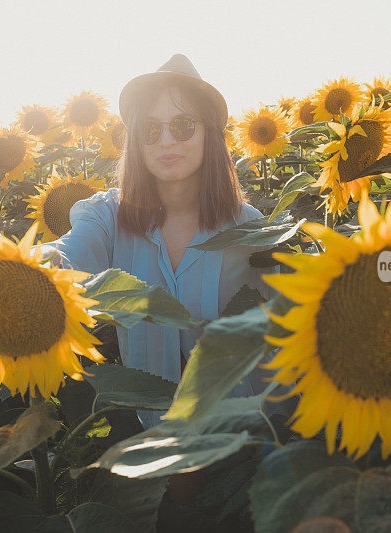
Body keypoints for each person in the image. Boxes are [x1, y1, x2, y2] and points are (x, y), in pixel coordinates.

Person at [39, 53, 286, 430]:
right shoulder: (108, 217)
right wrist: (31, 269)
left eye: (183, 125)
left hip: (248, 436)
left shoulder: (251, 230)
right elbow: (69, 254)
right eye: (150, 130)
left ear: (210, 133)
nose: (166, 141)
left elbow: (288, 331)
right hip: (158, 439)